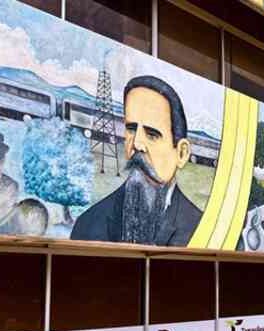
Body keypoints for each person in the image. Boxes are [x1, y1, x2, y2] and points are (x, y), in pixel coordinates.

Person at [72, 76, 201, 246]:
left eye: (152, 135)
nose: (137, 144)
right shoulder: (89, 224)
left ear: (182, 153)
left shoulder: (201, 229)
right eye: (131, 129)